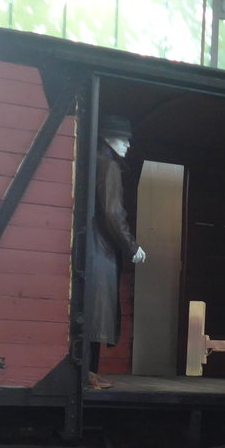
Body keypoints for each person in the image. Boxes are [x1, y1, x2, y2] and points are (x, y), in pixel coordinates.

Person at [88, 114, 147, 389]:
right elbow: (113, 212)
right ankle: (88, 373)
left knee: (91, 313)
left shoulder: (97, 161)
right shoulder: (109, 166)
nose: (128, 146)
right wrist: (131, 246)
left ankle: (89, 372)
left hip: (94, 245)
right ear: (110, 140)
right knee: (96, 313)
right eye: (124, 139)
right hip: (101, 249)